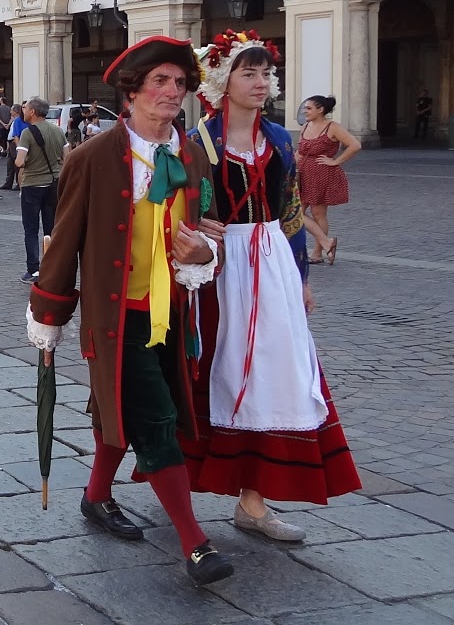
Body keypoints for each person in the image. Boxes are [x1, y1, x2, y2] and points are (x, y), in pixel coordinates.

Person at [26, 35, 232, 587]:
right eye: (160, 82)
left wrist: (204, 253)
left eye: (180, 83)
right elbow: (64, 237)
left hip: (173, 313)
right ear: (133, 90)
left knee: (121, 409)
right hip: (116, 317)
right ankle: (195, 543)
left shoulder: (192, 155)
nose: (172, 92)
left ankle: (96, 496)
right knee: (155, 417)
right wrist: (48, 314)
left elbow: (209, 229)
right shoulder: (92, 156)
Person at [182, 29, 361, 544]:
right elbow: (175, 209)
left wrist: (299, 277)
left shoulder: (281, 139)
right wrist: (195, 227)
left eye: (266, 73)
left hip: (272, 263)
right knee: (214, 369)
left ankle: (254, 501)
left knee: (277, 372)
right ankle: (183, 488)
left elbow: (288, 214)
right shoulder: (198, 143)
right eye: (248, 72)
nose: (261, 82)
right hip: (218, 270)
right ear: (221, 79)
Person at [297, 96, 359, 265]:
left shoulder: (333, 127)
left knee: (318, 213)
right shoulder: (305, 127)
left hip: (322, 175)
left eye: (308, 108)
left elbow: (355, 145)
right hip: (303, 174)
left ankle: (317, 253)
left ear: (320, 110)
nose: (305, 111)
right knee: (295, 211)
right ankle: (326, 241)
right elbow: (300, 153)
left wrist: (335, 161)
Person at [16, 97, 64, 284]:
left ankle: (33, 269)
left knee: (31, 228)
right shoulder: (58, 131)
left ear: (33, 112)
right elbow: (66, 157)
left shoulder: (28, 133)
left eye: (26, 108)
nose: (24, 110)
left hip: (32, 185)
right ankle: (53, 266)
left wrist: (25, 162)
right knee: (51, 227)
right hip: (53, 183)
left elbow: (19, 161)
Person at [0, 104, 25, 192]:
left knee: (17, 163)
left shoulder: (19, 120)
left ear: (16, 111)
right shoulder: (15, 120)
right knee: (10, 163)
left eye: (12, 110)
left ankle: (19, 183)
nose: (10, 112)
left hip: (15, 143)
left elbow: (16, 134)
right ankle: (8, 183)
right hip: (11, 143)